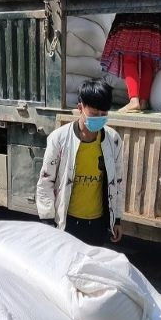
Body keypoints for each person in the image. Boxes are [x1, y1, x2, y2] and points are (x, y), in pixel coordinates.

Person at [37, 79, 124, 247]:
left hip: (98, 224)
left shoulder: (113, 140)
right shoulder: (59, 139)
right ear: (80, 108)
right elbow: (46, 181)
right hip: (68, 223)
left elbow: (117, 182)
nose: (99, 118)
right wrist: (47, 221)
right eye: (94, 113)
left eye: (103, 114)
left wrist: (117, 219)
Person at [101, 13, 161, 113]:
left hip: (133, 12)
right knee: (148, 59)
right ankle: (143, 101)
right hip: (154, 14)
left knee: (129, 58)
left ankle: (134, 100)